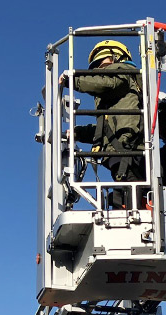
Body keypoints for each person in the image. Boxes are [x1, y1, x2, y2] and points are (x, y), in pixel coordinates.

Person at [63, 40, 144, 208]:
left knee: (130, 199)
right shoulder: (114, 99)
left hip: (127, 148)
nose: (99, 69)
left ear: (117, 58)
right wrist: (79, 133)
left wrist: (73, 80)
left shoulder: (123, 71)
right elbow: (105, 129)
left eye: (102, 63)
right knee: (123, 198)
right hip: (122, 149)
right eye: (96, 67)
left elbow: (106, 83)